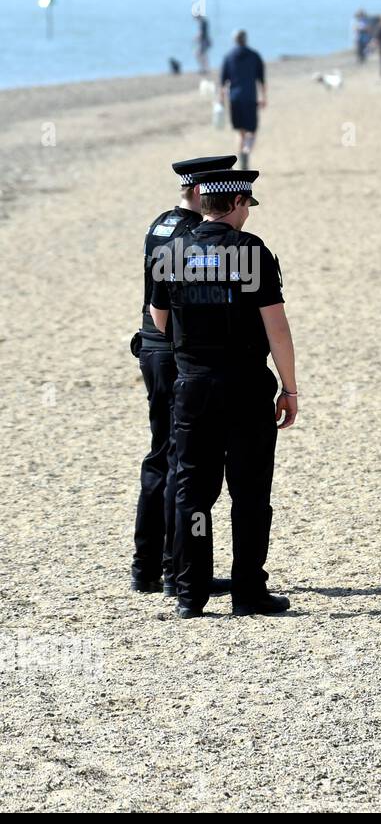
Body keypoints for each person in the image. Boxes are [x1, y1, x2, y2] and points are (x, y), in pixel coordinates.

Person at [149, 170, 298, 618]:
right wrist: (290, 388)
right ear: (234, 202)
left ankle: (190, 592)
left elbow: (159, 317)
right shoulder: (251, 251)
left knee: (194, 493)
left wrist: (192, 349)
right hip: (245, 386)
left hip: (193, 387)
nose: (248, 212)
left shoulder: (172, 251)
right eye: (247, 204)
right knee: (249, 492)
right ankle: (248, 590)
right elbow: (277, 328)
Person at [131, 155, 238, 598]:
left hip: (152, 347)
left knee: (162, 457)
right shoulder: (189, 236)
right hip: (173, 352)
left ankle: (148, 567)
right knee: (183, 465)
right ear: (199, 192)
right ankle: (178, 570)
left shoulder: (161, 223)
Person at [220, 30, 267, 170]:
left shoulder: (228, 57)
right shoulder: (254, 55)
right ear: (246, 39)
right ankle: (246, 151)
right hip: (250, 98)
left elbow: (223, 82)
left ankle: (241, 154)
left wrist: (221, 100)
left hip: (234, 99)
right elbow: (262, 80)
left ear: (234, 40)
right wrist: (264, 97)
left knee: (240, 132)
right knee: (252, 131)